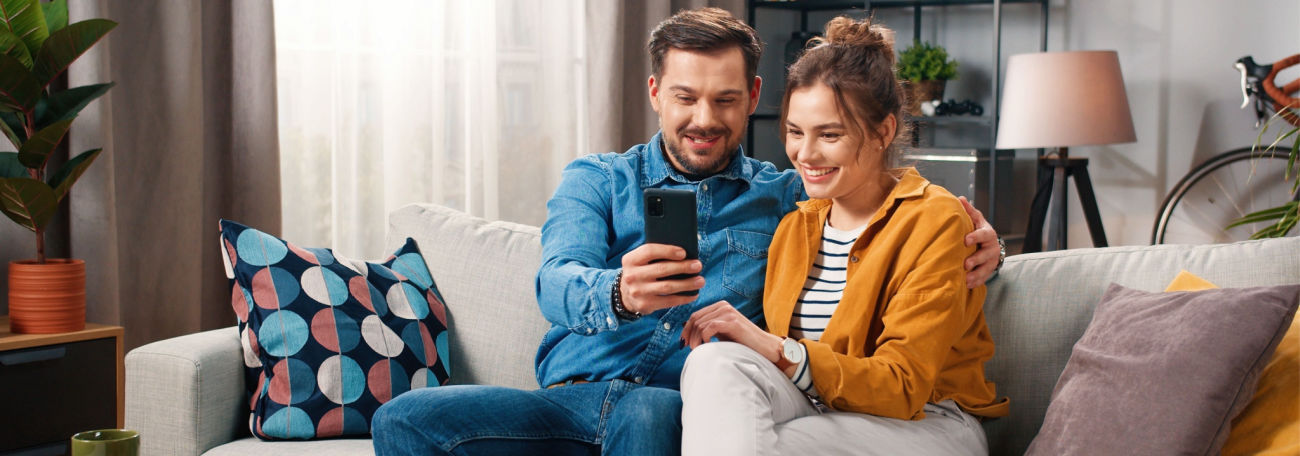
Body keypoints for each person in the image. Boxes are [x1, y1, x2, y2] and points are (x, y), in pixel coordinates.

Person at [372, 8, 1003, 455]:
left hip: (680, 411)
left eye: (726, 100)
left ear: (754, 95)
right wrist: (620, 292)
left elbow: (873, 211)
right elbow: (556, 282)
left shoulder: (786, 198)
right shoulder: (597, 180)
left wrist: (982, 246)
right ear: (654, 92)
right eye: (685, 97)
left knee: (651, 410)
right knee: (403, 420)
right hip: (571, 401)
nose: (705, 119)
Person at [677, 16, 1010, 456]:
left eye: (829, 135)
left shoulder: (935, 220)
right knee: (713, 362)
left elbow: (902, 386)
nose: (806, 154)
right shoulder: (796, 226)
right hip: (825, 412)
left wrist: (777, 349)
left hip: (928, 422)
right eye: (795, 132)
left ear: (883, 131)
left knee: (773, 443)